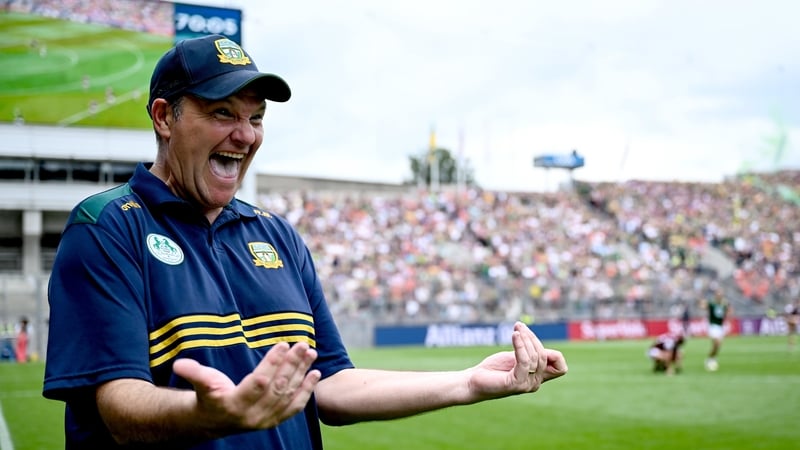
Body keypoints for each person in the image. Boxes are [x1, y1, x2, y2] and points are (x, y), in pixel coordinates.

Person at [42, 34, 568, 449]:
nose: (245, 135)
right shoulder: (108, 227)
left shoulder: (276, 235)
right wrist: (206, 416)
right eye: (222, 113)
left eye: (255, 118)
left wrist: (468, 384)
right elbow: (117, 406)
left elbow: (331, 385)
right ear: (164, 117)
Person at [702, 289, 730, 371]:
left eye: (721, 295)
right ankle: (710, 359)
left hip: (720, 327)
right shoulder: (712, 303)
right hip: (713, 326)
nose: (719, 296)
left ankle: (711, 358)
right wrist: (702, 303)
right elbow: (704, 307)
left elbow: (727, 312)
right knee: (717, 343)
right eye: (718, 295)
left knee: (717, 346)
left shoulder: (724, 304)